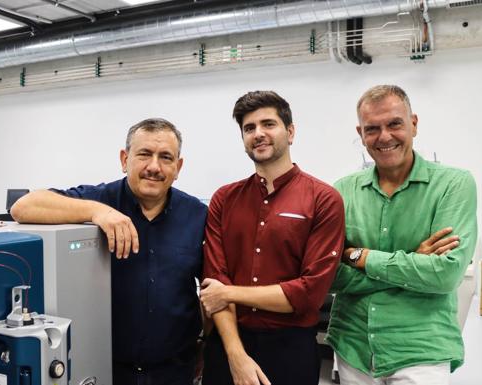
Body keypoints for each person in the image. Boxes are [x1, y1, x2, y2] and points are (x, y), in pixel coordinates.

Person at [10, 118, 207, 385]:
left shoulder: (196, 214)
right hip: (107, 370)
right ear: (124, 159)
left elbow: (210, 289)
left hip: (175, 371)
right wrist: (97, 212)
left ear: (178, 166)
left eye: (166, 157)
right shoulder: (100, 199)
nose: (154, 167)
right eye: (144, 154)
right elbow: (23, 207)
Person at [326, 85, 478, 385]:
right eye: (372, 128)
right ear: (361, 133)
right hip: (353, 347)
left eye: (394, 123)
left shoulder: (453, 185)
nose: (384, 136)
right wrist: (412, 262)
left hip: (420, 349)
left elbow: (445, 275)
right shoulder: (342, 191)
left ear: (414, 124)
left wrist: (359, 256)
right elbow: (330, 276)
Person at [199, 90, 345, 385]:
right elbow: (215, 281)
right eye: (249, 128)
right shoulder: (224, 199)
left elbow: (308, 294)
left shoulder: (323, 199)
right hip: (229, 344)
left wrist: (228, 293)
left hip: (290, 350)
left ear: (290, 132)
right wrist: (236, 356)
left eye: (269, 124)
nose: (258, 134)